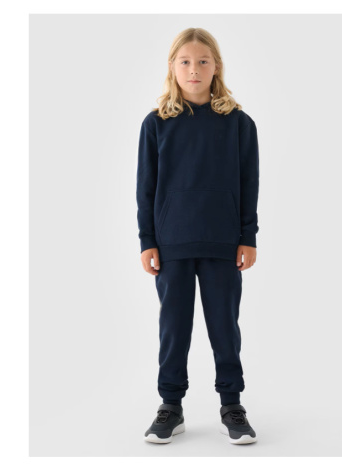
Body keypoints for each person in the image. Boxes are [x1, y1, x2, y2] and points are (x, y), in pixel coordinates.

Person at [136, 28, 259, 445]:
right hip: (171, 244)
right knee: (174, 328)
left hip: (223, 242)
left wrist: (248, 236)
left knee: (225, 327)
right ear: (172, 67)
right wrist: (147, 240)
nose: (194, 69)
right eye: (185, 62)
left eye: (203, 61)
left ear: (216, 67)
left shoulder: (239, 124)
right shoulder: (156, 124)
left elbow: (249, 183)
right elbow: (146, 188)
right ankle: (170, 406)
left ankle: (232, 405)